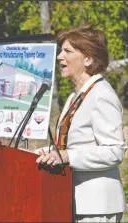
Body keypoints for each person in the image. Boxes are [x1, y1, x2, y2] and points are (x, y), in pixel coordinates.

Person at [35, 24, 127, 222]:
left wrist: (68, 156)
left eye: (67, 51)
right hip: (73, 199)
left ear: (88, 59)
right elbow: (71, 144)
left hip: (97, 206)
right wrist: (40, 154)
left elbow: (114, 151)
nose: (60, 56)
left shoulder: (102, 95)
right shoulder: (75, 96)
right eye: (61, 50)